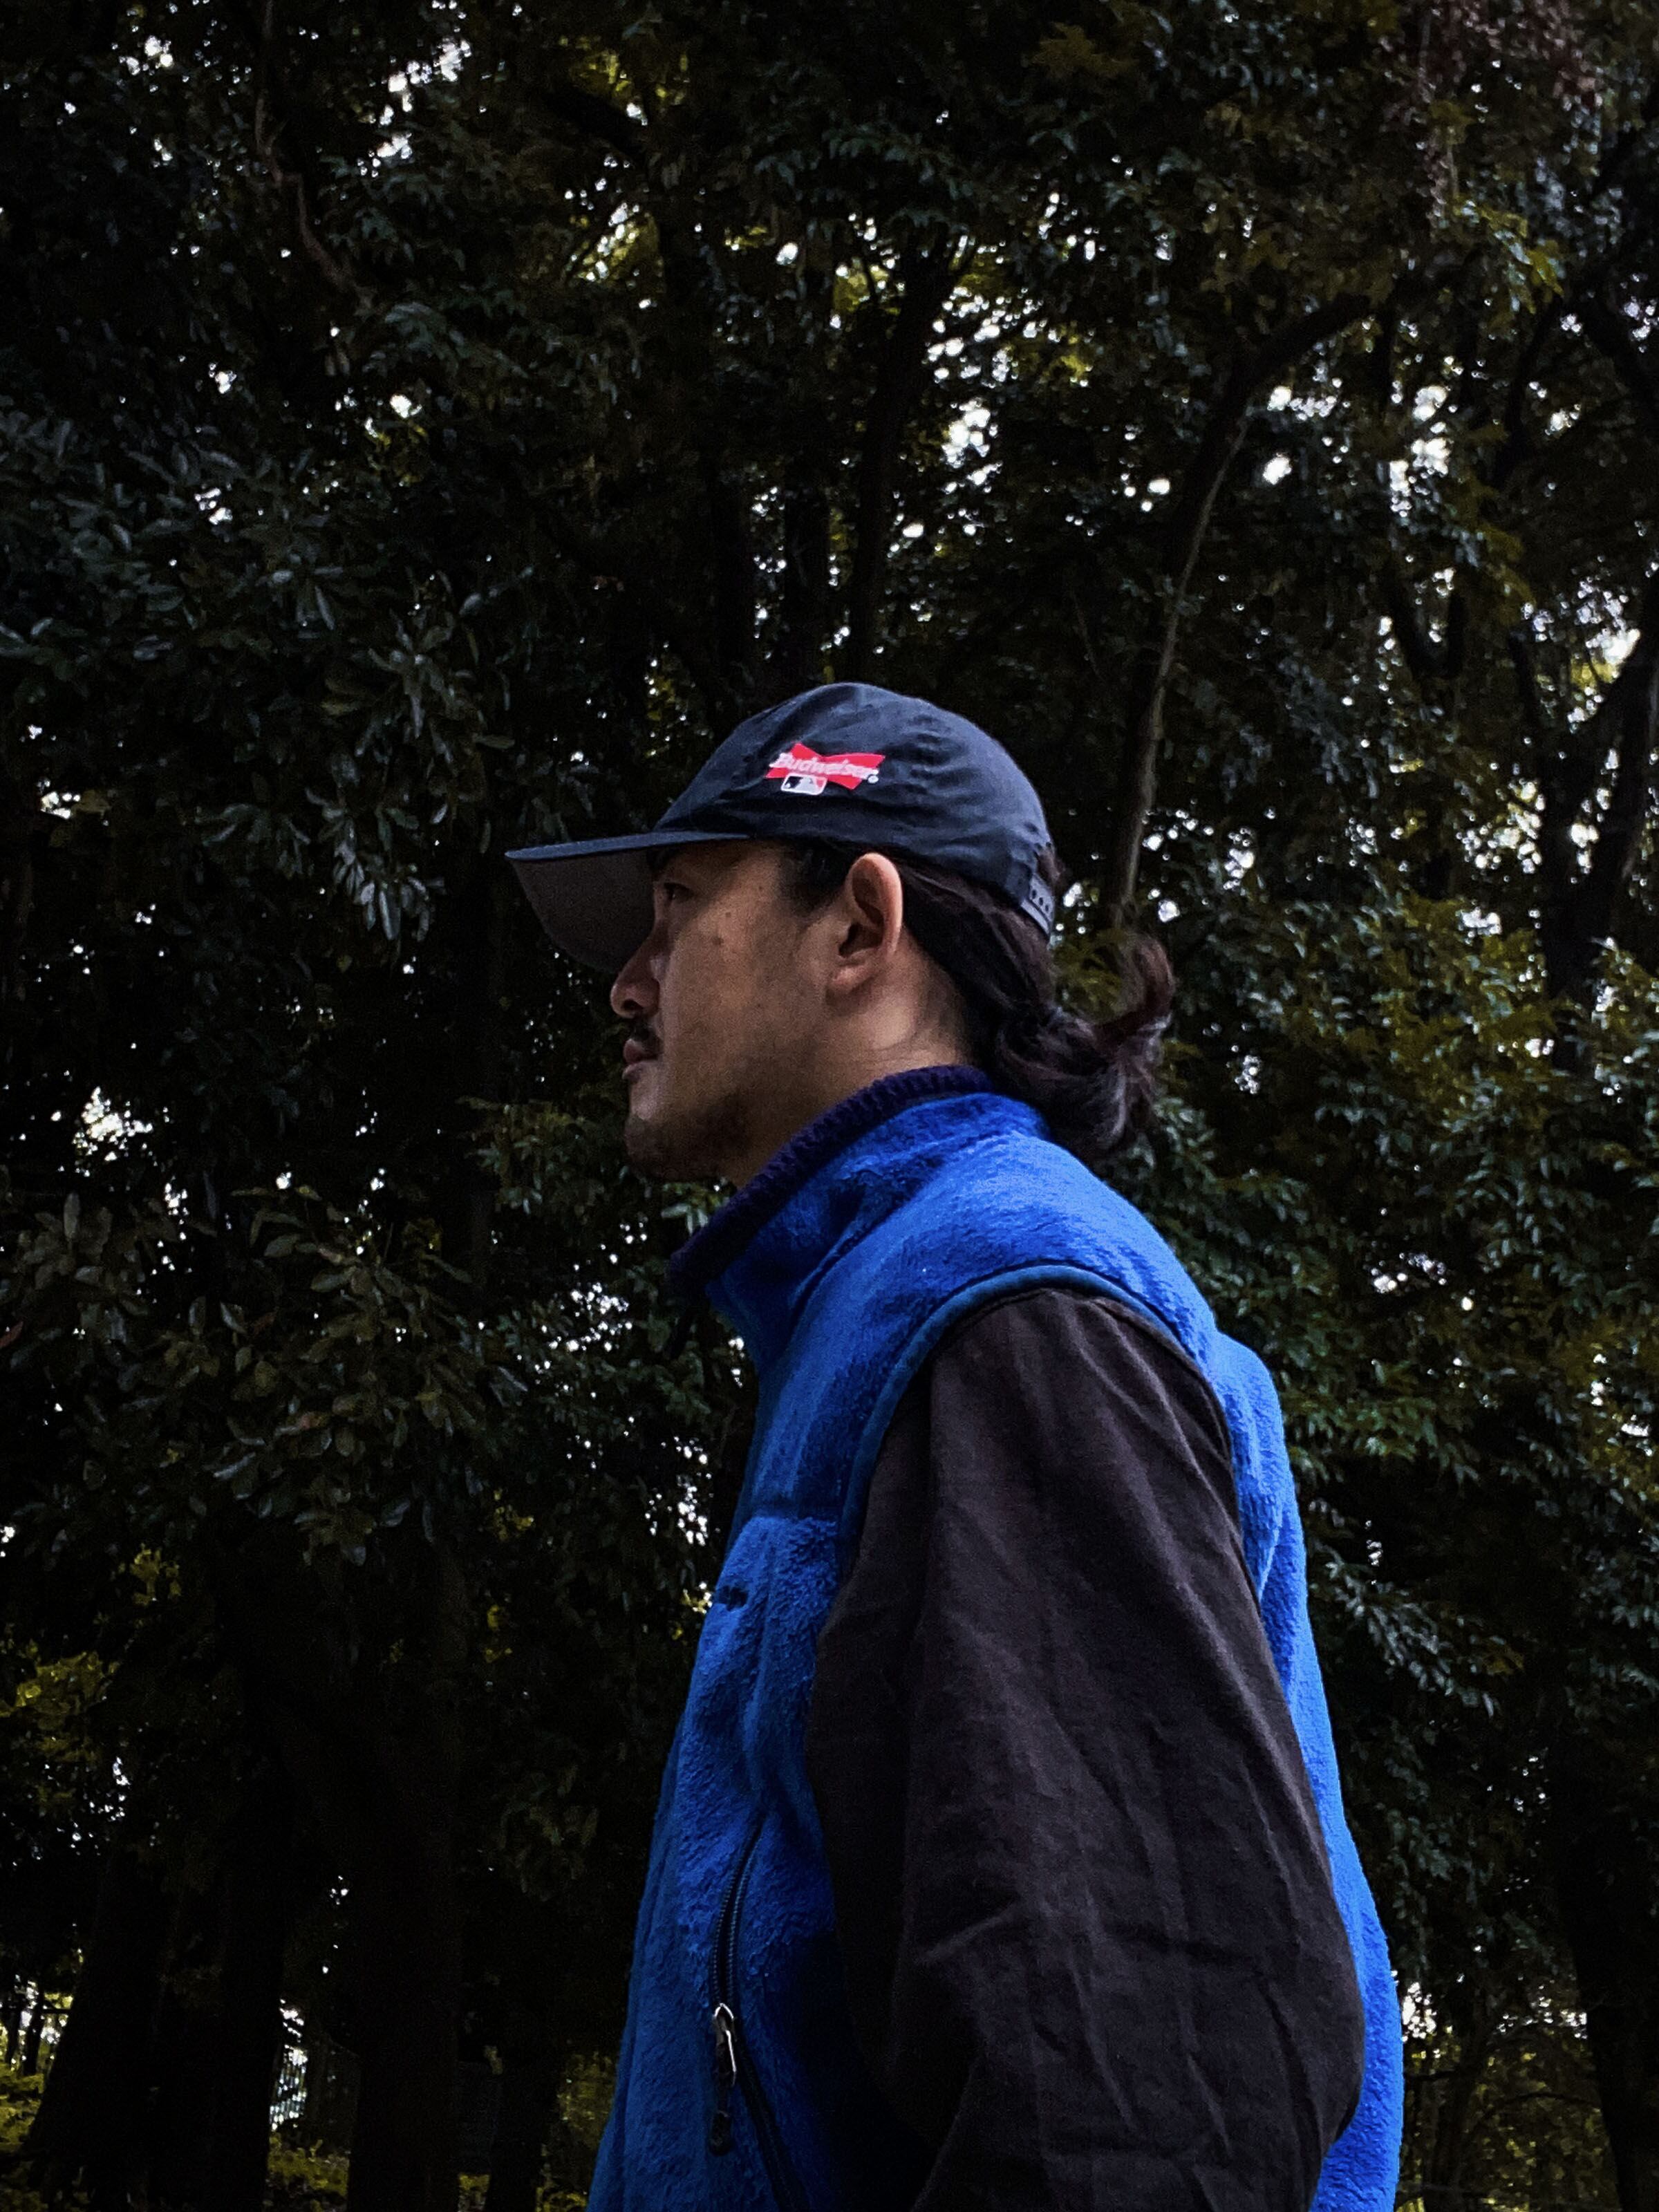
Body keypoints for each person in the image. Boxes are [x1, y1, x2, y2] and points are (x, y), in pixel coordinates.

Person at [509, 684, 1403, 2212]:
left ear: (860, 928)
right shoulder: (896, 1301)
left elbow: (1134, 2119)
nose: (629, 986)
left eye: (679, 909)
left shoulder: (1005, 1306)